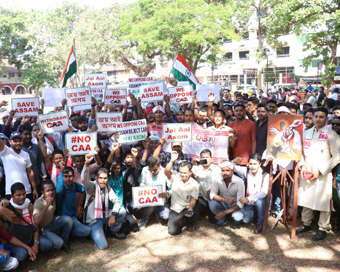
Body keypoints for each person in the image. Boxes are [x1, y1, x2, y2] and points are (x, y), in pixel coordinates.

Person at [297, 107, 340, 241]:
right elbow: (300, 152)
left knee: (323, 202)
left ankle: (322, 228)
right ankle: (307, 224)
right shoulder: (306, 133)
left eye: (321, 117)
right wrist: (302, 165)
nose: (318, 119)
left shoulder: (332, 134)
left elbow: (337, 156)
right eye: (316, 116)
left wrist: (320, 170)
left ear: (327, 119)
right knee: (306, 198)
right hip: (307, 172)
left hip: (323, 173)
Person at [82, 154, 126, 250]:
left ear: (107, 179)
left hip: (104, 216)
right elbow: (83, 179)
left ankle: (112, 231)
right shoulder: (91, 186)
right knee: (103, 246)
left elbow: (116, 201)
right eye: (100, 178)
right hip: (93, 220)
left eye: (105, 178)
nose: (103, 181)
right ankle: (94, 232)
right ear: (96, 178)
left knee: (122, 211)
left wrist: (113, 214)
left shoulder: (107, 187)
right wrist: (86, 164)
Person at [0, 183, 50, 261]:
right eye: (18, 195)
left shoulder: (29, 205)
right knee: (22, 254)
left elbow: (34, 225)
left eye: (24, 194)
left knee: (47, 244)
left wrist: (36, 243)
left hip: (28, 236)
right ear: (12, 196)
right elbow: (7, 236)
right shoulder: (4, 209)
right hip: (11, 240)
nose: (22, 197)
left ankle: (32, 251)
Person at [33, 180, 73, 254]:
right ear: (42, 192)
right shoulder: (38, 203)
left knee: (68, 220)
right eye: (48, 190)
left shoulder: (53, 197)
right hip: (43, 229)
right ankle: (44, 244)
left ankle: (65, 243)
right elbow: (36, 221)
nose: (51, 192)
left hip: (51, 222)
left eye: (52, 189)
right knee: (58, 243)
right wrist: (47, 205)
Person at [232, 154, 269, 234]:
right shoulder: (246, 171)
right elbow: (229, 166)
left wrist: (248, 198)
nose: (252, 166)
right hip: (250, 203)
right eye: (251, 164)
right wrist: (234, 161)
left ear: (259, 164)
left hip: (260, 202)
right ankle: (255, 215)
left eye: (255, 164)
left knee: (260, 202)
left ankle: (260, 224)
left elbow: (264, 193)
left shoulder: (265, 175)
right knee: (246, 220)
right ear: (248, 164)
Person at [165, 152, 199, 235]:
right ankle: (182, 220)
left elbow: (193, 199)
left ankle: (189, 222)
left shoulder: (194, 184)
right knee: (173, 232)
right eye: (181, 172)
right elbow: (166, 172)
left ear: (190, 172)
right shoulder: (175, 177)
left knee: (196, 214)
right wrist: (172, 160)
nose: (182, 174)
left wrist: (190, 209)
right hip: (176, 208)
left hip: (188, 207)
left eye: (184, 172)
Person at [56, 162, 92, 239]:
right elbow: (58, 191)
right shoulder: (61, 188)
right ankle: (64, 239)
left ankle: (68, 233)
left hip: (73, 217)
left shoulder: (74, 186)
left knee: (87, 231)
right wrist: (61, 171)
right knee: (69, 222)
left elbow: (86, 188)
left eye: (70, 176)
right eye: (65, 176)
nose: (68, 179)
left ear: (73, 176)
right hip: (62, 219)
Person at [0, 132, 38, 202]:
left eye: (20, 141)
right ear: (10, 142)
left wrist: (34, 189)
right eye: (15, 141)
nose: (18, 143)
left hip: (27, 191)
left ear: (22, 141)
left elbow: (30, 172)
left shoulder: (26, 154)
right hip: (11, 192)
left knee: (28, 212)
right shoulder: (5, 151)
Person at [138, 156, 171, 230]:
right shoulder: (145, 170)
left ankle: (156, 212)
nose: (152, 172)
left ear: (159, 165)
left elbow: (172, 187)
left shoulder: (164, 171)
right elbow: (142, 184)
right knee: (152, 202)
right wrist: (145, 191)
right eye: (150, 170)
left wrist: (168, 193)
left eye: (155, 170)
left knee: (166, 216)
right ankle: (144, 219)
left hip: (162, 201)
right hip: (149, 200)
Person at [209, 161, 244, 229]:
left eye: (227, 170)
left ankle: (236, 221)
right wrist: (224, 200)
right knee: (212, 204)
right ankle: (223, 219)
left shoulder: (239, 182)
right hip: (224, 203)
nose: (225, 173)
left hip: (235, 205)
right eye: (223, 170)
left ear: (232, 171)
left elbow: (240, 203)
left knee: (237, 217)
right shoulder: (217, 179)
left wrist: (223, 212)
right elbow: (212, 195)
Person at [191, 149, 222, 223]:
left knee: (214, 220)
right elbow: (188, 178)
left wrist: (213, 189)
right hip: (202, 198)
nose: (205, 159)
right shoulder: (197, 168)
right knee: (194, 216)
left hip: (213, 198)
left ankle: (209, 211)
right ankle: (204, 211)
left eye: (207, 157)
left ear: (211, 158)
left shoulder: (217, 169)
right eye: (203, 158)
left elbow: (222, 184)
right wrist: (192, 165)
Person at [19, 124, 48, 193]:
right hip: (22, 183)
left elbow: (41, 163)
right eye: (25, 134)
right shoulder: (18, 149)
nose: (28, 136)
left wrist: (44, 178)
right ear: (21, 135)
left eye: (29, 134)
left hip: (37, 181)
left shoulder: (36, 147)